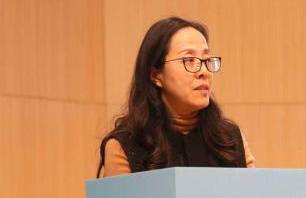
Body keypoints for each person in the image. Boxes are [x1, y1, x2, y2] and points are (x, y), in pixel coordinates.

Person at [97, 16, 255, 177]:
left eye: (207, 60)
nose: (204, 72)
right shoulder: (126, 144)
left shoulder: (229, 139)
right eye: (189, 60)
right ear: (156, 75)